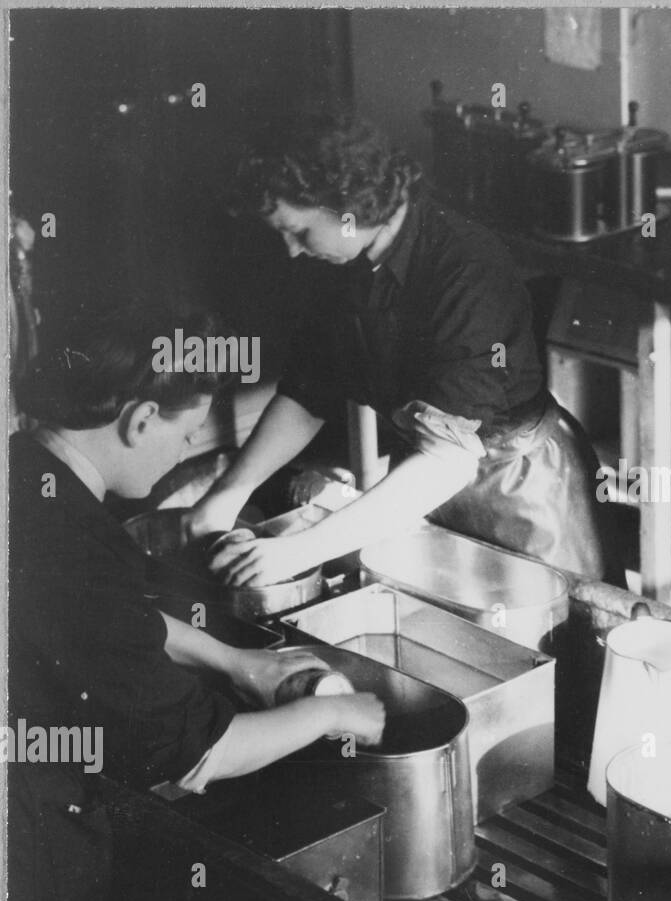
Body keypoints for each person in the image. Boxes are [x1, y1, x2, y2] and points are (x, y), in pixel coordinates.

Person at [7, 309, 385, 901]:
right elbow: (203, 752)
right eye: (185, 434)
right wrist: (339, 711)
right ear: (140, 420)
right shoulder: (76, 551)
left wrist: (237, 661)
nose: (187, 452)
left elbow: (117, 625)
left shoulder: (31, 477)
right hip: (32, 844)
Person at [184, 113, 622, 587]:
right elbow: (309, 394)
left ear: (347, 204)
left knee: (554, 637)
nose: (291, 251)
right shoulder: (337, 263)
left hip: (521, 489)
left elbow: (449, 459)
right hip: (422, 486)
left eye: (300, 232)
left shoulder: (466, 265)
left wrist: (300, 550)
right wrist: (229, 492)